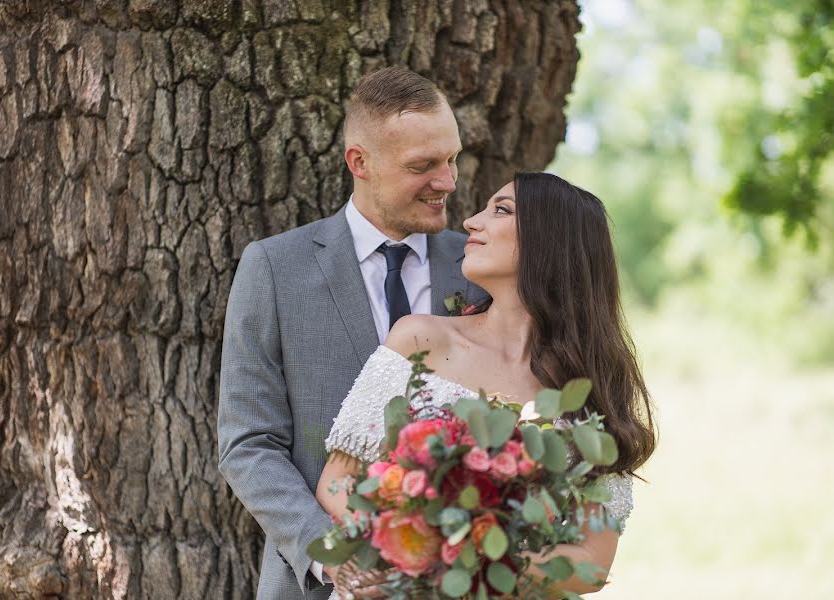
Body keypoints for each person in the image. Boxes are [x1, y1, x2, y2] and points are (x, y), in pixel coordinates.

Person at [318, 172, 657, 597]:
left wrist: (471, 559)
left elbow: (592, 563)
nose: (471, 223)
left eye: (501, 210)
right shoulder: (419, 339)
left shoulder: (592, 390)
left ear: (550, 239)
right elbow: (338, 479)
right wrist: (403, 550)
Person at [217, 66, 484, 599]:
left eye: (451, 158)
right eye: (423, 165)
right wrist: (336, 556)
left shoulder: (479, 266)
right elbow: (248, 444)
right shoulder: (275, 268)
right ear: (358, 162)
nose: (448, 182)